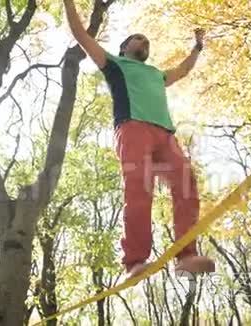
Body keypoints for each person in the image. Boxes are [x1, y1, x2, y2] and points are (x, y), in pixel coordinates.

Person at [63, 0, 215, 279]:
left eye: (146, 41)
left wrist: (198, 46)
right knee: (138, 191)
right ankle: (134, 261)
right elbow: (81, 35)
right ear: (124, 47)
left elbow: (183, 70)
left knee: (186, 186)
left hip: (166, 135)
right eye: (137, 38)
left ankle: (186, 255)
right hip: (133, 130)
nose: (144, 41)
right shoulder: (113, 63)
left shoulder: (157, 74)